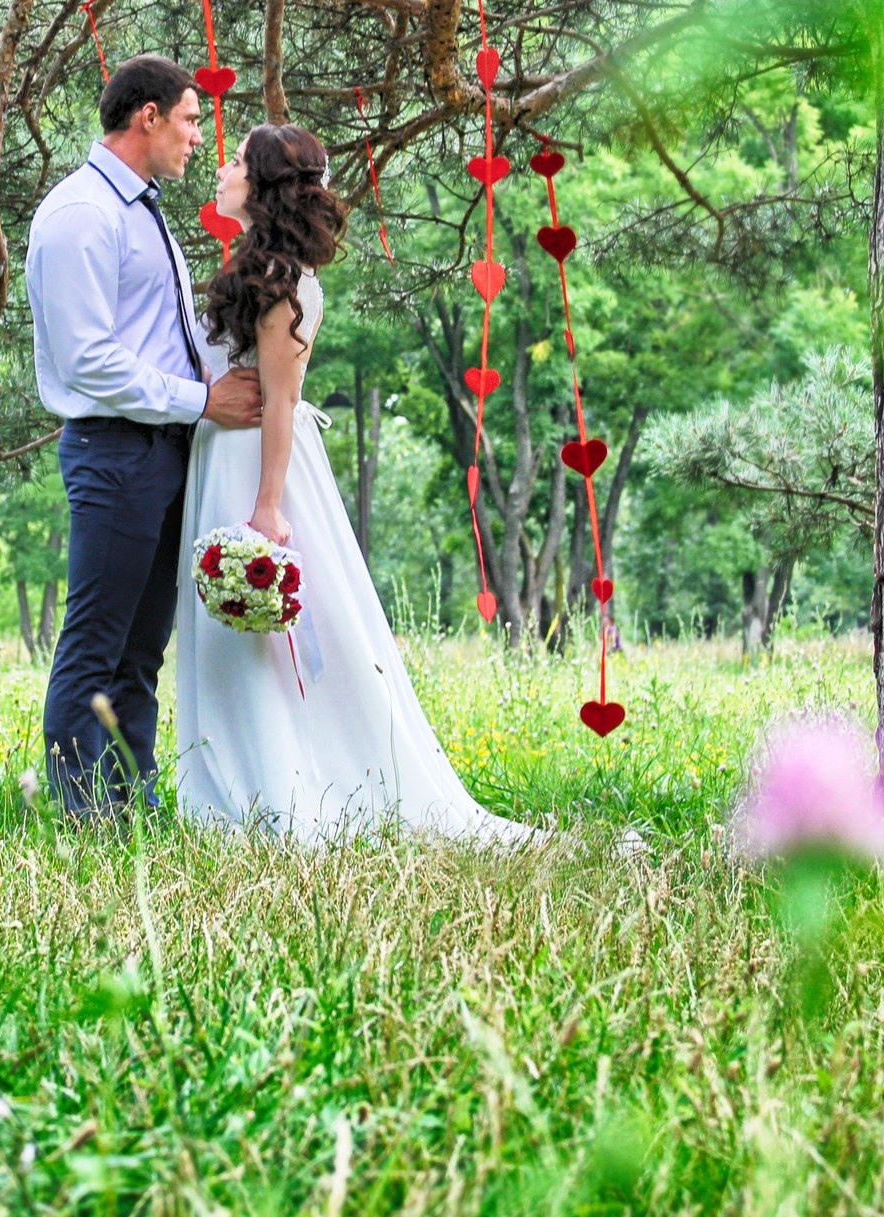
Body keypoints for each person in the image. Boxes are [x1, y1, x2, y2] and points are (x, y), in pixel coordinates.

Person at [173, 123, 537, 844]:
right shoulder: (249, 265)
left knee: (274, 629)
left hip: (258, 466)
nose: (224, 166)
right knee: (228, 634)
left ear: (267, 183)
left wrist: (267, 507)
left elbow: (280, 399)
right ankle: (227, 780)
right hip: (218, 453)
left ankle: (282, 785)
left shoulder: (291, 283)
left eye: (239, 160)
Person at [27, 56, 262, 814]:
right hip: (115, 450)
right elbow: (89, 359)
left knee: (140, 650)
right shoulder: (80, 214)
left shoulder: (142, 208)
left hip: (163, 451)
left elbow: (160, 334)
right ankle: (80, 814)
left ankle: (132, 803)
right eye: (191, 119)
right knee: (95, 643)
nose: (198, 136)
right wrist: (203, 401)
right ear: (148, 117)